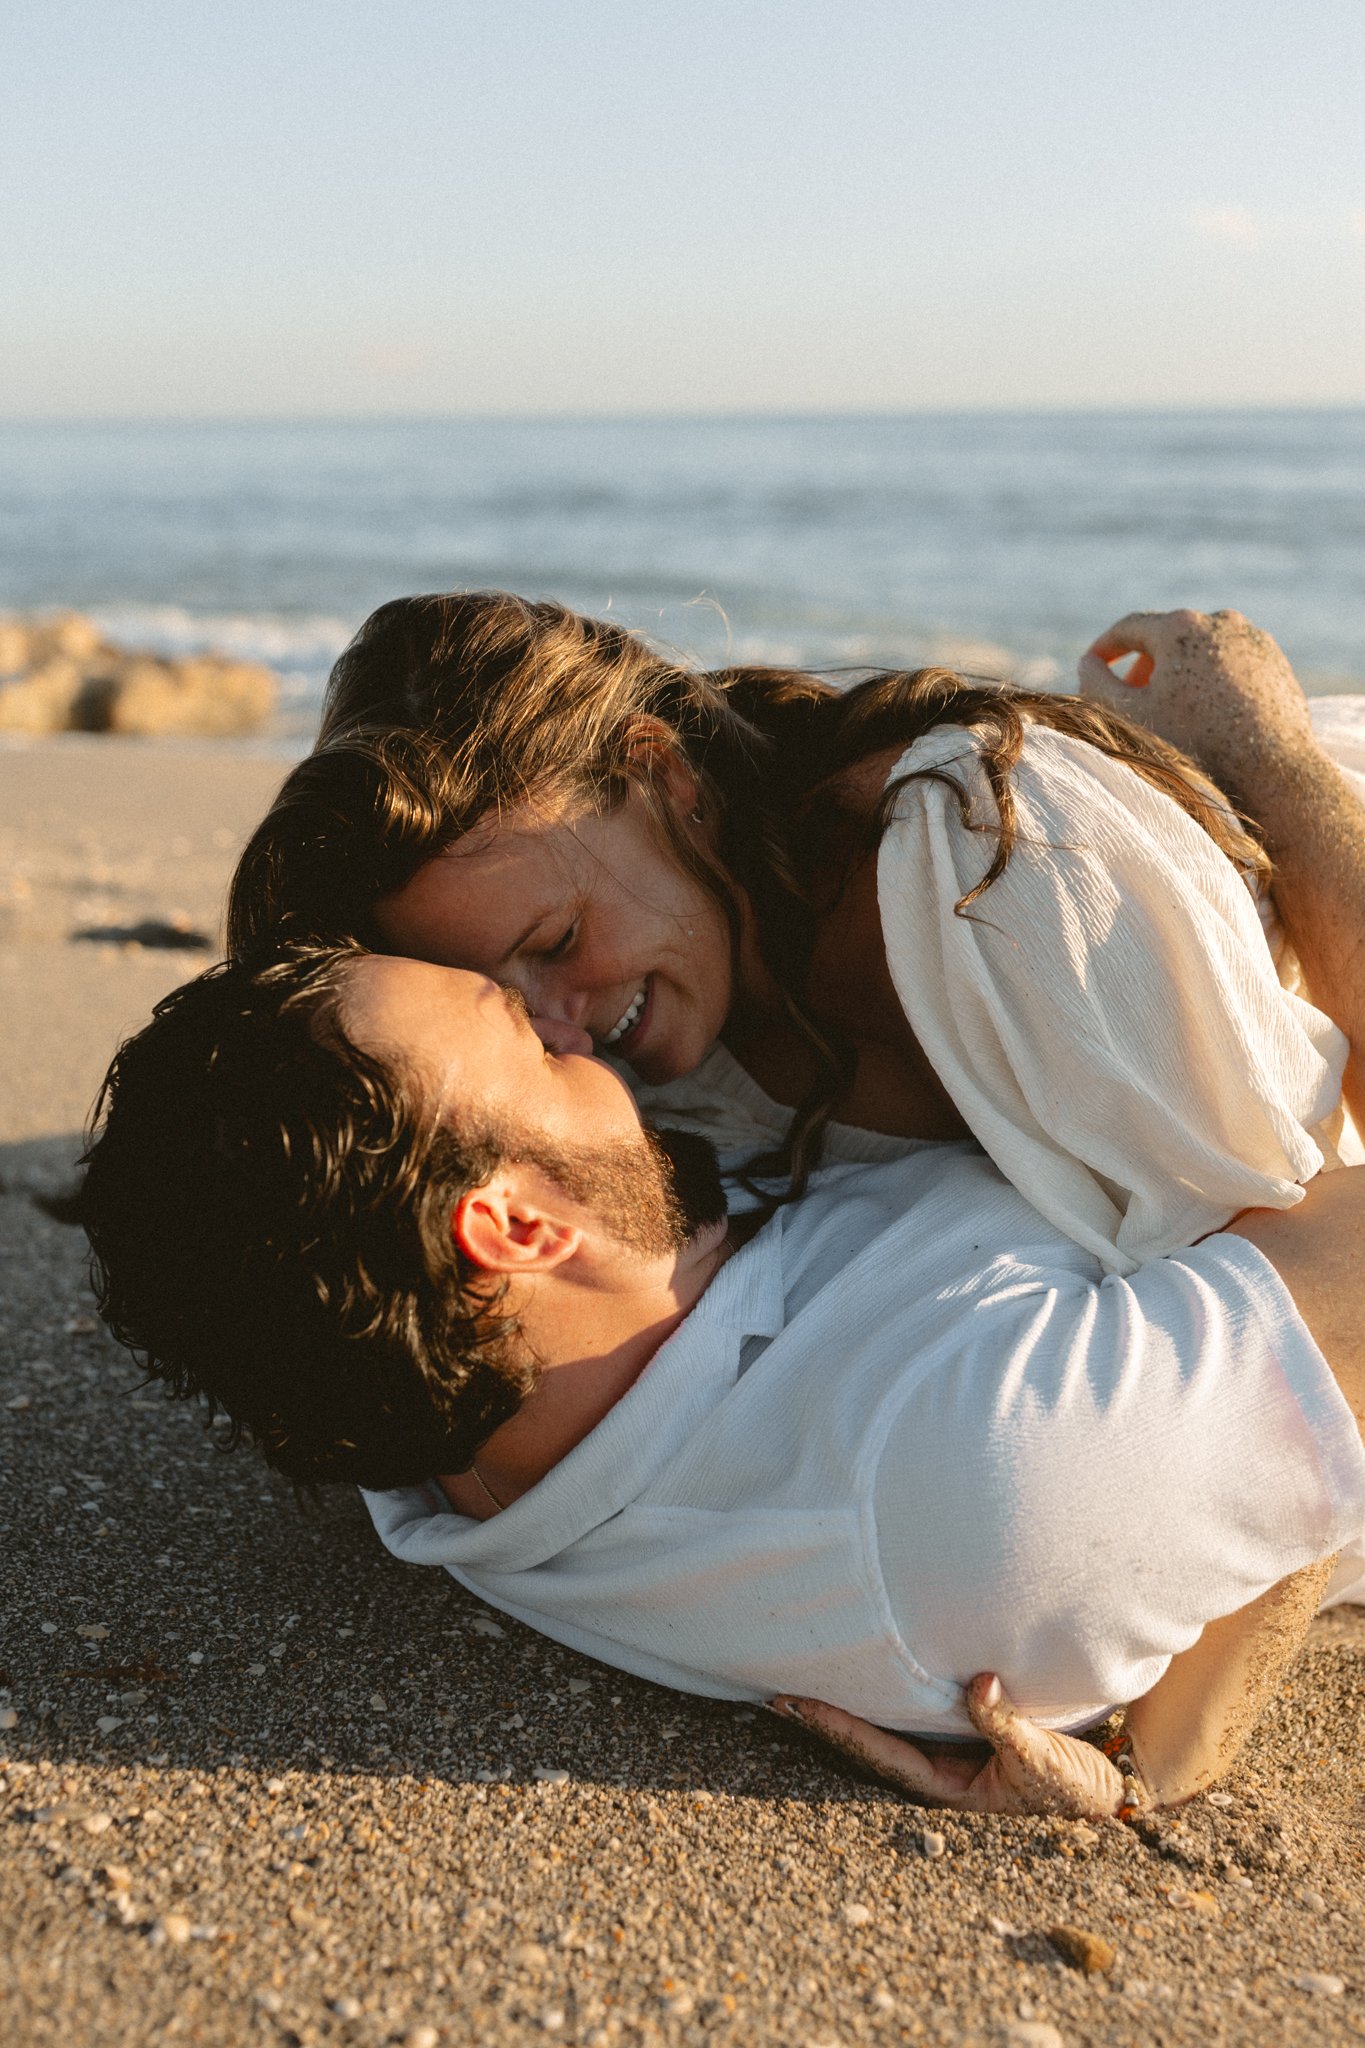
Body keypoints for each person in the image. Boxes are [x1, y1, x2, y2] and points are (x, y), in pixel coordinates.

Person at [77, 940, 1365, 1818]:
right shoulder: (967, 1465)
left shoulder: (446, 1437)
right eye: (525, 1032)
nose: (565, 1008)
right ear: (517, 1229)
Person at [228, 601, 1361, 1290]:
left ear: (665, 774)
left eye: (559, 937)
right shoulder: (655, 1075)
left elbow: (1323, 1281)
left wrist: (1276, 762)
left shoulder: (1001, 861)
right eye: (494, 994)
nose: (558, 1025)